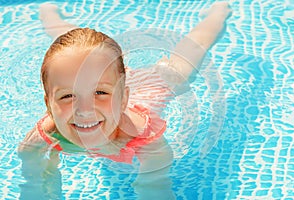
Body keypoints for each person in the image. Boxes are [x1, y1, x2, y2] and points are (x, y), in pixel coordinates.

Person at [18, 2, 232, 199]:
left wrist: (150, 183)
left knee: (190, 55)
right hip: (108, 79)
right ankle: (49, 15)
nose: (84, 110)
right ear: (48, 105)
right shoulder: (42, 137)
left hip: (152, 85)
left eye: (99, 93)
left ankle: (217, 14)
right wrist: (40, 176)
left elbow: (154, 186)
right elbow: (33, 175)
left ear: (123, 99)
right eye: (67, 96)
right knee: (74, 45)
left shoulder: (142, 136)